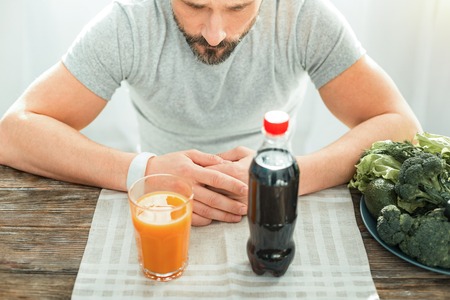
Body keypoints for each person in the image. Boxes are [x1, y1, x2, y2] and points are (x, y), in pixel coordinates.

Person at [0, 0, 421, 226]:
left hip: (276, 204)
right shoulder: (129, 22)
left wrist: (283, 179)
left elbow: (400, 124)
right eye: (193, 4)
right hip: (163, 203)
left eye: (238, 8)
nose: (215, 34)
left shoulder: (304, 16)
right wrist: (146, 172)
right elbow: (13, 131)